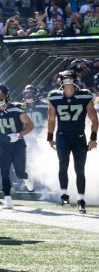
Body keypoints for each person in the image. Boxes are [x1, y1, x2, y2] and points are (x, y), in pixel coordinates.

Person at [45, 71, 96, 213]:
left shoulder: (84, 95)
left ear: (75, 79)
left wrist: (93, 138)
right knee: (63, 164)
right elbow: (51, 119)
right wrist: (50, 137)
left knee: (80, 169)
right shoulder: (54, 96)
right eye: (64, 78)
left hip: (79, 136)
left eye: (69, 78)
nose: (67, 81)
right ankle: (64, 194)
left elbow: (94, 119)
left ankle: (81, 200)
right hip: (62, 136)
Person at [0, 83, 35, 208]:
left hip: (18, 145)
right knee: (4, 172)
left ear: (7, 95)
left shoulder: (17, 108)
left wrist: (19, 135)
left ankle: (26, 177)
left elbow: (30, 126)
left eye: (1, 95)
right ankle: (7, 199)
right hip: (3, 145)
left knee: (19, 172)